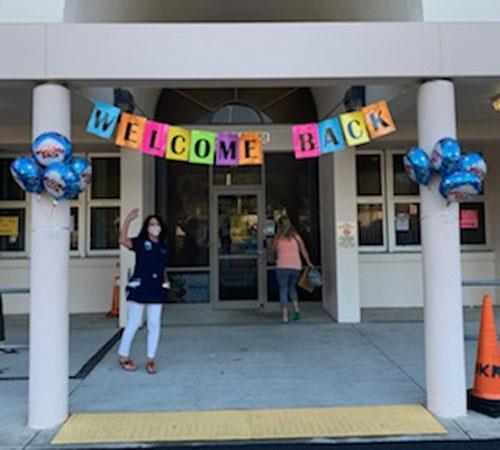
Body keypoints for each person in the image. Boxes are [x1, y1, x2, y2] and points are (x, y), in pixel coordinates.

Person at [117, 208, 169, 374]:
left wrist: (166, 280)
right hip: (139, 287)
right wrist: (127, 220)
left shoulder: (163, 246)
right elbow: (122, 240)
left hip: (156, 288)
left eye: (157, 224)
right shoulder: (140, 242)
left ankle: (150, 359)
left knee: (154, 324)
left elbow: (162, 267)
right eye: (151, 224)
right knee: (134, 322)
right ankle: (123, 355)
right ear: (147, 228)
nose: (155, 227)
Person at [272, 216, 313, 323]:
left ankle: (285, 316)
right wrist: (308, 263)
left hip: (282, 266)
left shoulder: (278, 238)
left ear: (279, 225)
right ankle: (296, 309)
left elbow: (271, 249)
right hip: (295, 267)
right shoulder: (296, 237)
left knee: (283, 289)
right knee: (292, 287)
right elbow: (303, 251)